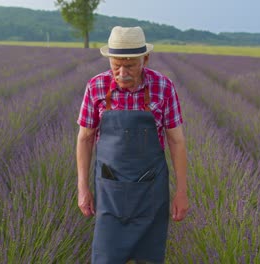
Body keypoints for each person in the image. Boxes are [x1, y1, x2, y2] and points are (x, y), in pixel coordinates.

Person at [76, 26, 189, 263]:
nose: (122, 73)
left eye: (130, 65)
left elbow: (176, 141)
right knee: (105, 257)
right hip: (110, 193)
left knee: (150, 257)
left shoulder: (163, 87)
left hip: (150, 194)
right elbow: (85, 138)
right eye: (116, 65)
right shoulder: (96, 87)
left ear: (145, 59)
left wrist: (181, 192)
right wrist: (83, 188)